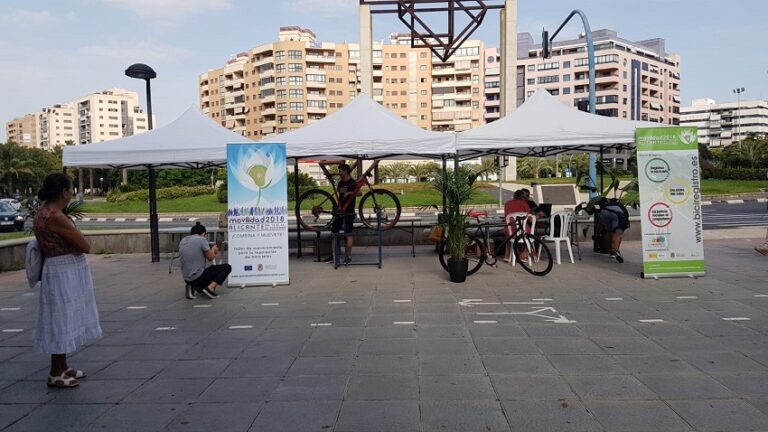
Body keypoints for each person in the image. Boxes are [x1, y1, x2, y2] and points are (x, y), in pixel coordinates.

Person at [33, 173, 102, 388]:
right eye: (70, 190)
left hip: (56, 268)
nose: (72, 194)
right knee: (62, 317)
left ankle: (62, 366)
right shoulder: (56, 215)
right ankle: (55, 371)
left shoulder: (42, 213)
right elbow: (84, 245)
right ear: (63, 192)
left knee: (62, 316)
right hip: (65, 270)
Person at [179, 222, 231, 299]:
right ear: (203, 233)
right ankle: (210, 288)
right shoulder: (201, 239)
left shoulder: (183, 241)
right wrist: (213, 250)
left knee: (201, 289)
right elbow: (210, 258)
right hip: (198, 277)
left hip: (186, 278)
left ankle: (191, 286)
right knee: (227, 267)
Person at [324, 163, 356, 263]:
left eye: (340, 171)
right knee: (334, 232)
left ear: (346, 171)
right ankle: (334, 254)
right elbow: (339, 196)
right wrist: (337, 206)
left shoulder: (352, 182)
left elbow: (359, 193)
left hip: (349, 212)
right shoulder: (340, 183)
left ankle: (349, 256)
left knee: (348, 234)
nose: (339, 173)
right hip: (340, 211)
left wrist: (350, 193)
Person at [597, 198, 629, 263]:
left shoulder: (607, 204)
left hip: (603, 212)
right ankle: (615, 250)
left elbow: (599, 210)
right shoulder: (620, 205)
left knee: (611, 231)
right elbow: (626, 215)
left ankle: (612, 252)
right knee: (618, 233)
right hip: (616, 215)